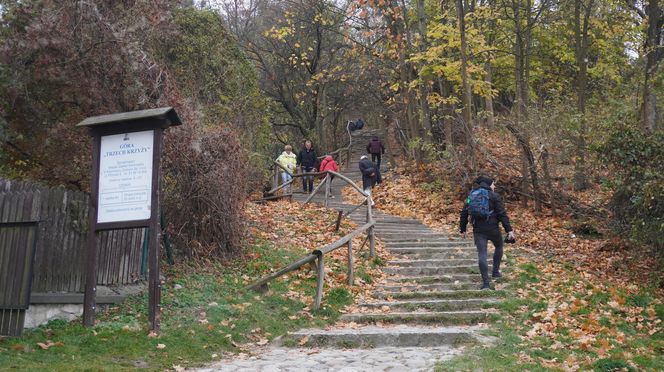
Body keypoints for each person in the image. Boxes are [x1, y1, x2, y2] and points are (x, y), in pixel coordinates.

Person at [459, 176, 515, 290]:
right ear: (489, 184)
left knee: (482, 254)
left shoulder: (471, 195)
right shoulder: (494, 196)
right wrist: (509, 230)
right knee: (499, 246)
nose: (494, 186)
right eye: (493, 184)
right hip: (493, 229)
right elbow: (502, 214)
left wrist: (463, 229)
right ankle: (495, 272)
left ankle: (485, 284)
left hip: (479, 230)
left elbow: (464, 213)